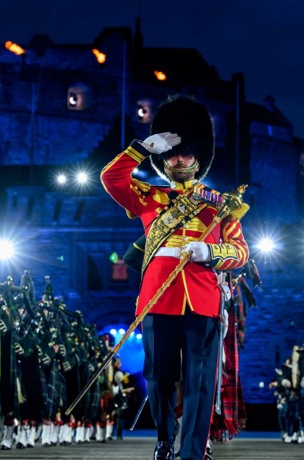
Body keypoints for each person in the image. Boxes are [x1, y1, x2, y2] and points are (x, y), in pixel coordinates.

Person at [101, 94, 249, 460]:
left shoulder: (220, 205)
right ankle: (165, 441)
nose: (178, 159)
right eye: (171, 155)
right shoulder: (150, 197)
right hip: (157, 300)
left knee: (200, 382)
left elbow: (241, 253)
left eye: (185, 153)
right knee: (160, 379)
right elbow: (111, 178)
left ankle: (194, 451)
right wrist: (140, 149)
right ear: (163, 161)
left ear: (199, 157)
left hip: (202, 301)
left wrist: (211, 253)